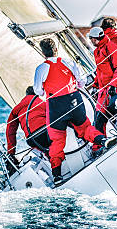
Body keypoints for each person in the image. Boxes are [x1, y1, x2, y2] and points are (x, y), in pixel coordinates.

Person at [33, 38, 108, 184]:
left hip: (55, 106)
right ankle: (102, 140)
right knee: (85, 128)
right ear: (56, 50)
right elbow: (82, 82)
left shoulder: (41, 68)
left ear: (43, 53)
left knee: (57, 140)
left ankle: (57, 176)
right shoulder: (69, 62)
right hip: (74, 100)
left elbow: (38, 91)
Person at [5, 86, 49, 174]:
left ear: (26, 95)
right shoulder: (43, 103)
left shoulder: (16, 109)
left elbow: (10, 131)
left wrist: (11, 153)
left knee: (43, 151)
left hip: (32, 140)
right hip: (47, 133)